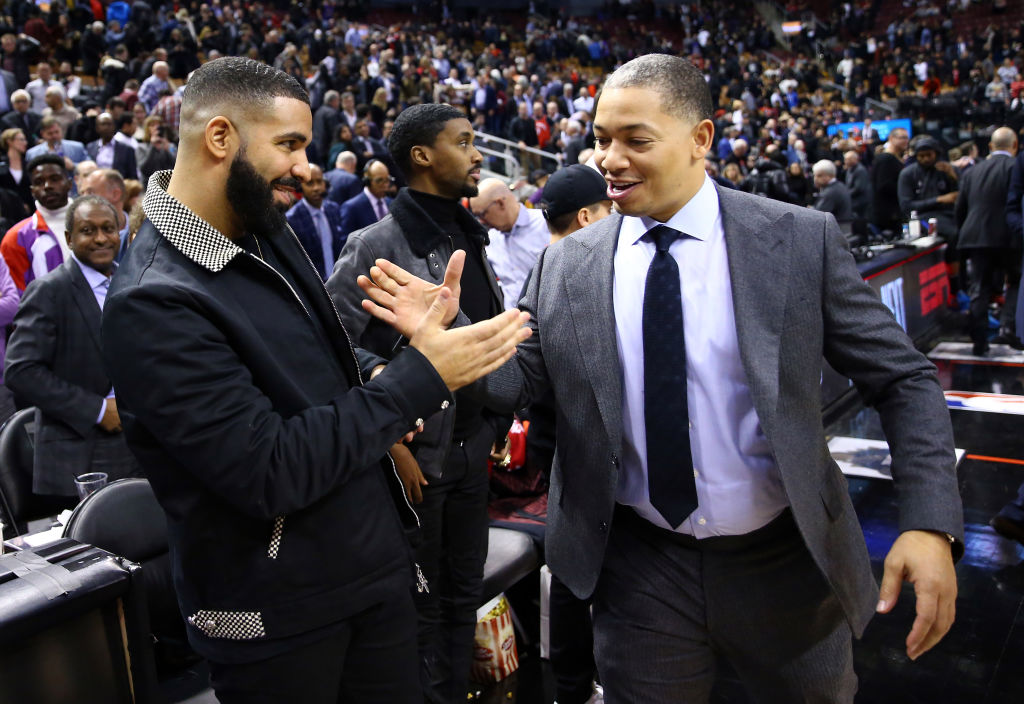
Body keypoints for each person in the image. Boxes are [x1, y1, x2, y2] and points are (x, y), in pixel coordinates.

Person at [361, 54, 962, 703]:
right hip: (639, 565)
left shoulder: (797, 240)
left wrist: (929, 522)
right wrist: (445, 352)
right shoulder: (570, 266)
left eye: (635, 140)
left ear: (701, 139)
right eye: (602, 138)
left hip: (785, 562)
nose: (609, 160)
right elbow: (516, 383)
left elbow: (903, 378)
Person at [99, 56, 529, 704]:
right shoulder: (151, 300)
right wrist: (420, 378)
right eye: (290, 145)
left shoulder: (260, 227)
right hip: (280, 620)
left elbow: (325, 353)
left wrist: (384, 368)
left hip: (367, 573)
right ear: (221, 138)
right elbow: (267, 470)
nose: (307, 166)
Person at [329, 102, 511, 704]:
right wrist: (389, 437)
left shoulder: (470, 234)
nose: (478, 153)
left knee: (464, 597)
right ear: (422, 156)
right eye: (463, 142)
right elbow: (329, 348)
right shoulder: (374, 244)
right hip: (417, 463)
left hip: (471, 452)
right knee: (421, 612)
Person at [5, 195, 140, 501]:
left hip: (136, 442)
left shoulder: (130, 282)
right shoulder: (50, 290)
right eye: (88, 230)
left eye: (108, 229)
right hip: (82, 450)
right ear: (69, 238)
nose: (101, 238)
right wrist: (96, 409)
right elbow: (21, 371)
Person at [954, 126, 1020, 356]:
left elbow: (959, 209)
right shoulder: (1016, 167)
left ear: (990, 146)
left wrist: (965, 232)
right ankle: (1008, 326)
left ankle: (979, 342)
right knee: (1016, 280)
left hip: (974, 237)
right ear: (1015, 145)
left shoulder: (972, 171)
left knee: (979, 288)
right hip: (1010, 237)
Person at [469, 178, 549, 310]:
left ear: (500, 203)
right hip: (516, 323)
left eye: (482, 214)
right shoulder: (490, 240)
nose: (481, 221)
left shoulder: (546, 224)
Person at [1, 153, 72, 291]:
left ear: (69, 183)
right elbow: (17, 297)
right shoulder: (16, 238)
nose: (47, 186)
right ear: (32, 191)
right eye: (39, 182)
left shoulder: (95, 226)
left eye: (55, 179)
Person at [285, 163, 346, 280]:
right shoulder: (292, 219)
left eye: (319, 182)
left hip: (338, 280)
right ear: (300, 187)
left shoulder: (333, 209)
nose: (316, 188)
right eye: (310, 183)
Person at [339, 159, 392, 239]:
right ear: (367, 181)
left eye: (387, 180)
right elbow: (347, 242)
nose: (385, 185)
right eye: (379, 180)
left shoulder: (391, 203)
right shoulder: (352, 208)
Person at [872, 127, 909, 235]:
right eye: (902, 137)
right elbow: (884, 186)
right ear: (891, 138)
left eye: (907, 138)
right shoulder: (886, 159)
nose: (906, 141)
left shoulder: (895, 158)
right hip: (888, 214)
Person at [86, 112, 137, 181]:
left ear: (114, 127)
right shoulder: (90, 147)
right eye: (103, 124)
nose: (107, 127)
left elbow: (133, 176)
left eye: (109, 124)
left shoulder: (127, 149)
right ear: (97, 128)